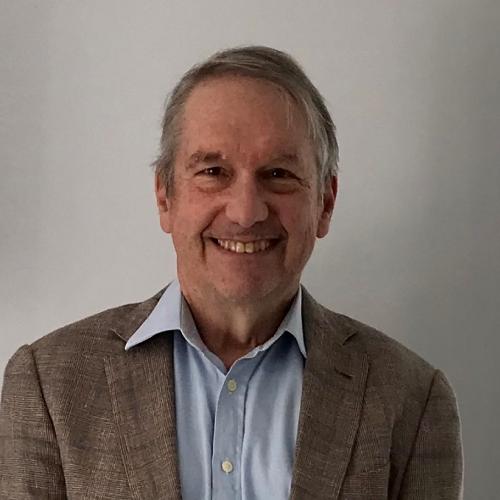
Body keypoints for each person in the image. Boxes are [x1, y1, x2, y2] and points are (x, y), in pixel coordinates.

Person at [0, 46, 463, 499]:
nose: (245, 212)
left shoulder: (412, 401)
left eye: (278, 174)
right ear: (165, 197)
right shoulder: (50, 387)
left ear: (325, 202)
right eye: (213, 171)